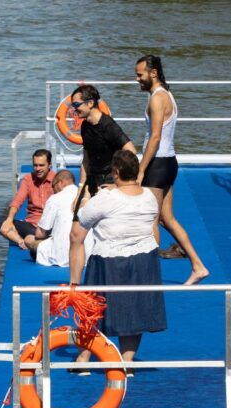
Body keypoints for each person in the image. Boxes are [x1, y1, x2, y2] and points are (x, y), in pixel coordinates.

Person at [69, 150, 165, 374]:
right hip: (144, 260)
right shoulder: (150, 197)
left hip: (109, 260)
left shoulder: (105, 198)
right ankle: (127, 361)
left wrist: (86, 200)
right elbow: (132, 197)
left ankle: (83, 358)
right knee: (136, 310)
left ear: (115, 172)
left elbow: (80, 224)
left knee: (93, 309)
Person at [134, 55, 209, 285]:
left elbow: (155, 137)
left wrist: (140, 171)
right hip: (168, 162)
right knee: (167, 219)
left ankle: (150, 277)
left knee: (151, 221)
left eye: (140, 75)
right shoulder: (168, 95)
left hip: (157, 165)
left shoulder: (157, 99)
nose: (137, 79)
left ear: (153, 73)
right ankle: (198, 265)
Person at [71, 84, 136, 196]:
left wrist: (118, 184)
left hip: (111, 181)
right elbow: (86, 159)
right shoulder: (85, 126)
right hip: (93, 180)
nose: (74, 109)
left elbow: (131, 150)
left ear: (90, 103)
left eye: (76, 105)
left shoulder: (108, 126)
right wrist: (80, 190)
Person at [23, 170, 93, 266]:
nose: (53, 190)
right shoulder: (87, 197)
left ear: (61, 183)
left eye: (53, 186)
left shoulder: (55, 198)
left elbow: (40, 234)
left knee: (28, 239)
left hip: (61, 255)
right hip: (87, 254)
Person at [0, 149, 55, 249]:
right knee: (0, 221)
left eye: (41, 165)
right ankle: (22, 242)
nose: (38, 168)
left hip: (49, 226)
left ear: (49, 164)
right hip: (31, 227)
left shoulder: (57, 179)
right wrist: (9, 220)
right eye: (35, 165)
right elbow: (17, 200)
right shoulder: (28, 179)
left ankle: (35, 241)